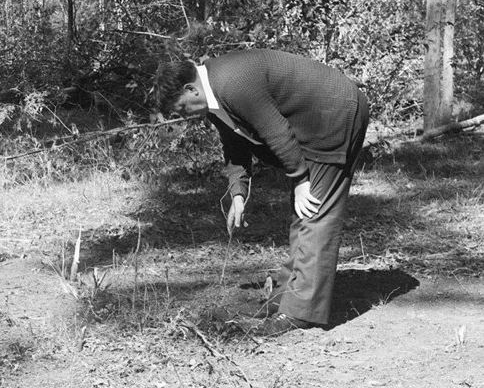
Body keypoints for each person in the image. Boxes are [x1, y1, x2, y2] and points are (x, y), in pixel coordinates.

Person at [155, 49, 369, 336]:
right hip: (314, 121)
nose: (184, 117)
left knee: (316, 212)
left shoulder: (232, 82)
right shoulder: (215, 97)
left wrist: (301, 180)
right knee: (304, 212)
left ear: (190, 89)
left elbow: (275, 130)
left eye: (182, 109)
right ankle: (287, 295)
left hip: (333, 115)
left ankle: (299, 312)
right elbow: (234, 147)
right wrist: (238, 194)